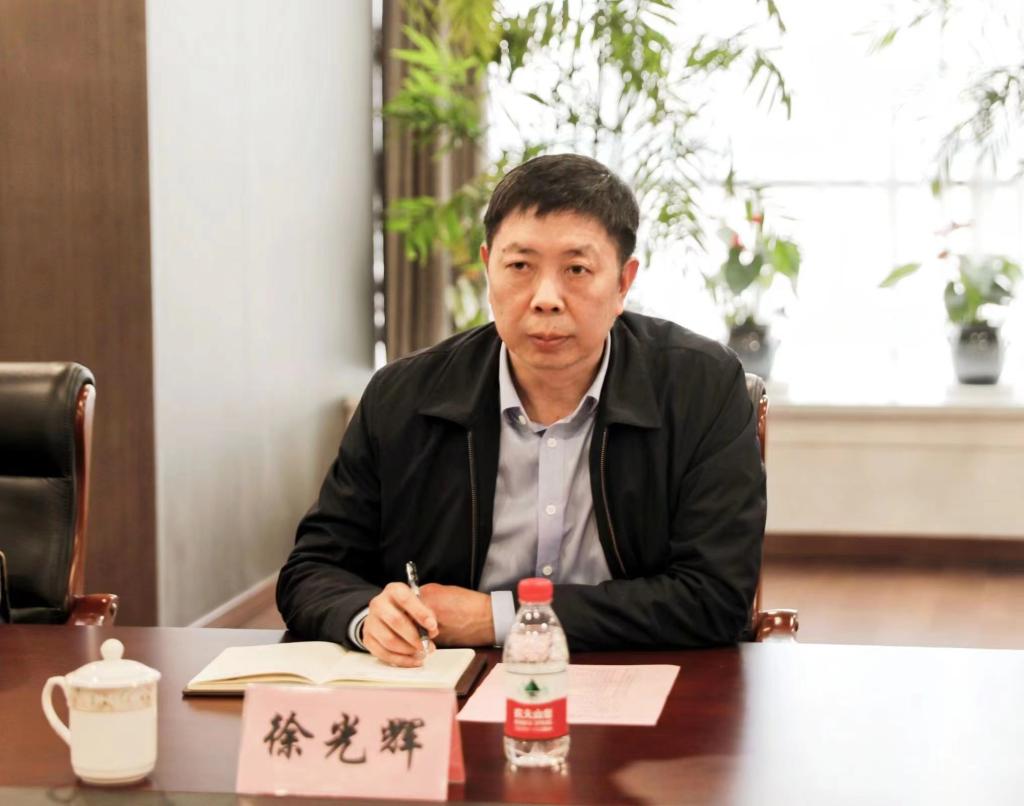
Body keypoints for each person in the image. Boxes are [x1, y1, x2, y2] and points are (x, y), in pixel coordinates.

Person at [277, 153, 766, 667]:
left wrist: (497, 617)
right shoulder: (402, 397)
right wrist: (368, 618)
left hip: (637, 672)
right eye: (520, 267)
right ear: (487, 268)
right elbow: (313, 569)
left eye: (576, 269)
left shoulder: (701, 387)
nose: (545, 298)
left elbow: (715, 596)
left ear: (623, 283)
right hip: (447, 677)